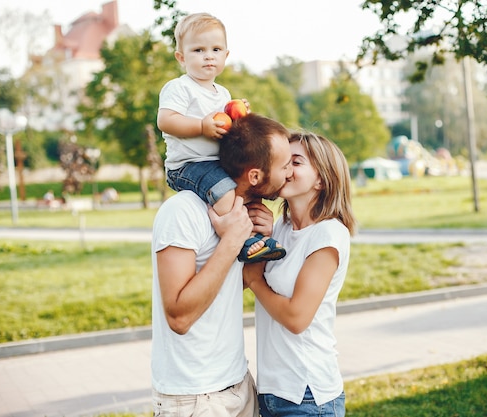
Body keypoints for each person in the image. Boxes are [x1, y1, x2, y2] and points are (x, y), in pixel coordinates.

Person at [151, 114, 293, 417]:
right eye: (284, 166)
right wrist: (231, 242)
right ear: (255, 176)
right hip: (195, 397)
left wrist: (257, 242)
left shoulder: (242, 214)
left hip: (237, 382)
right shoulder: (182, 211)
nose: (289, 173)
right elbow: (179, 316)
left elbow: (232, 284)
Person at [243, 131, 357, 417]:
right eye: (282, 162)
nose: (285, 170)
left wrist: (257, 279)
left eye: (295, 162)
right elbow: (242, 280)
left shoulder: (329, 234)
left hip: (307, 395)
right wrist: (263, 237)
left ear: (321, 178)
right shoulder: (279, 228)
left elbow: (296, 318)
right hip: (272, 390)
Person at [157, 12, 285, 263]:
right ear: (181, 58)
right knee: (226, 193)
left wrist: (239, 114)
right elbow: (166, 120)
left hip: (216, 163)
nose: (208, 56)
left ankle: (258, 236)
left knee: (249, 190)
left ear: (225, 56)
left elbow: (229, 126)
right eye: (198, 50)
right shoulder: (179, 87)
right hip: (188, 166)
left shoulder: (223, 93)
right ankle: (241, 240)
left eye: (216, 49)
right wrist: (201, 127)